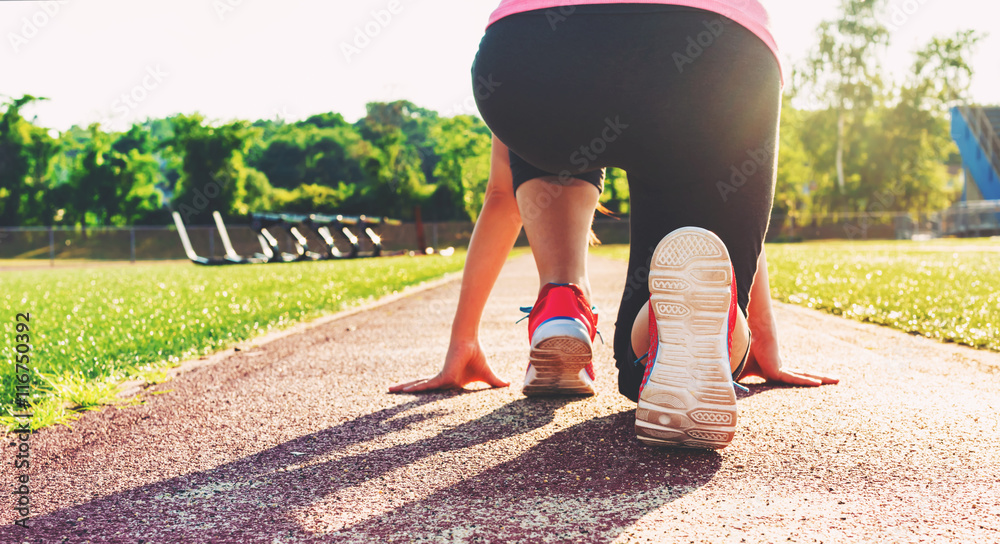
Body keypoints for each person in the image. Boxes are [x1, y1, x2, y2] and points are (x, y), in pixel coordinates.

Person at [392, 0, 838, 449]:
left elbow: (501, 196)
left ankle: (561, 306)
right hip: (715, 55)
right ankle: (694, 332)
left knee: (555, 122)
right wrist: (755, 329)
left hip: (531, 52)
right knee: (705, 219)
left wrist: (462, 340)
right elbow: (734, 199)